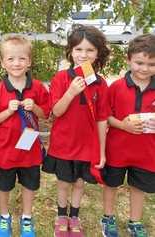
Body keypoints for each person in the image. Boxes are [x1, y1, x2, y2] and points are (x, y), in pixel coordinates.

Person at [42, 24, 110, 237]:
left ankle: (75, 217)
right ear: (71, 52)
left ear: (98, 53)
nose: (84, 55)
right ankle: (61, 216)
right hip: (63, 144)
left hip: (87, 145)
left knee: (80, 183)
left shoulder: (100, 84)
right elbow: (57, 111)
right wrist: (71, 92)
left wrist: (101, 151)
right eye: (79, 49)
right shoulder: (61, 78)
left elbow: (101, 120)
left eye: (90, 50)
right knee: (63, 183)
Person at [0, 35, 49, 237]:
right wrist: (8, 111)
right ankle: (4, 216)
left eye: (22, 59)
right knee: (4, 186)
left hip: (30, 152)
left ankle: (27, 217)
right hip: (6, 151)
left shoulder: (38, 87)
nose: (16, 63)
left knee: (29, 184)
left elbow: (46, 113)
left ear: (29, 61)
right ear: (3, 62)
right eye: (11, 59)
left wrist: (36, 107)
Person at [101, 34, 155, 237]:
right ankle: (107, 217)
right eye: (139, 62)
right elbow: (105, 116)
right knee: (111, 184)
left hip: (146, 152)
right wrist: (123, 125)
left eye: (151, 64)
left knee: (138, 188)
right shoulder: (116, 87)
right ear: (128, 59)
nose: (144, 68)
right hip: (117, 150)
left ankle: (135, 221)